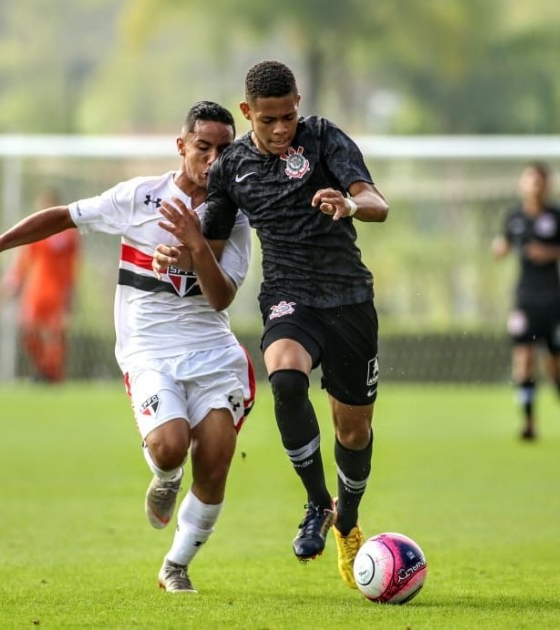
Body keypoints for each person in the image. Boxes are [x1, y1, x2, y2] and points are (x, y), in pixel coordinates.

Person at [0, 101, 255, 594]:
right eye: (203, 147)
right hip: (150, 350)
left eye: (223, 149)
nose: (213, 158)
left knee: (217, 458)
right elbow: (65, 217)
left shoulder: (235, 217)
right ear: (182, 146)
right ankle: (165, 475)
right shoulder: (141, 196)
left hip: (210, 352)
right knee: (171, 446)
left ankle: (176, 566)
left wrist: (196, 245)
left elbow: (222, 295)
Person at [155, 60, 389, 589]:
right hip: (288, 295)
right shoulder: (230, 168)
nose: (281, 128)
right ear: (247, 114)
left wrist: (349, 203)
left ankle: (347, 522)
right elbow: (210, 251)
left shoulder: (325, 138)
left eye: (288, 115)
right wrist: (184, 252)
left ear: (298, 104)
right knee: (284, 377)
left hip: (349, 298)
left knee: (352, 431)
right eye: (268, 120)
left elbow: (378, 203)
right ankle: (315, 502)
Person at [492, 161, 560, 441]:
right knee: (523, 359)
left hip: (554, 298)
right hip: (524, 298)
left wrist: (550, 252)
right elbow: (504, 244)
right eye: (530, 180)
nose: (535, 186)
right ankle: (529, 423)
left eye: (540, 181)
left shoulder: (559, 217)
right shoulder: (514, 217)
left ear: (548, 186)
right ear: (522, 184)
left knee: (554, 360)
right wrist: (499, 248)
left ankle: (559, 378)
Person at [1, 189, 79, 383]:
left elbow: (72, 265)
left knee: (55, 334)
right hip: (36, 289)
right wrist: (15, 279)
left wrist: (71, 293)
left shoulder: (66, 235)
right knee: (28, 331)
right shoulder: (34, 232)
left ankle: (53, 374)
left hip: (57, 290)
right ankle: (44, 369)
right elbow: (25, 258)